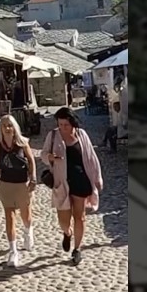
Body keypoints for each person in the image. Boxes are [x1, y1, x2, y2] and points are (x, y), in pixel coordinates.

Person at [40, 107, 103, 265]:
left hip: (81, 180)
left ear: (72, 123)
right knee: (64, 220)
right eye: (60, 124)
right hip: (62, 183)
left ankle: (77, 249)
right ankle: (67, 233)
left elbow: (91, 157)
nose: (62, 128)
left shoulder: (81, 135)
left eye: (65, 124)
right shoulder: (53, 135)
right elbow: (43, 155)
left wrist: (97, 178)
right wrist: (50, 157)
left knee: (80, 217)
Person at [0, 114, 37, 267]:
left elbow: (31, 160)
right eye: (4, 126)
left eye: (10, 125)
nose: (7, 128)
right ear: (0, 129)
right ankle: (13, 251)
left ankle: (28, 231)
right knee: (9, 217)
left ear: (14, 127)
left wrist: (33, 178)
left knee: (26, 215)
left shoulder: (22, 143)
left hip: (22, 184)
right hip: (6, 184)